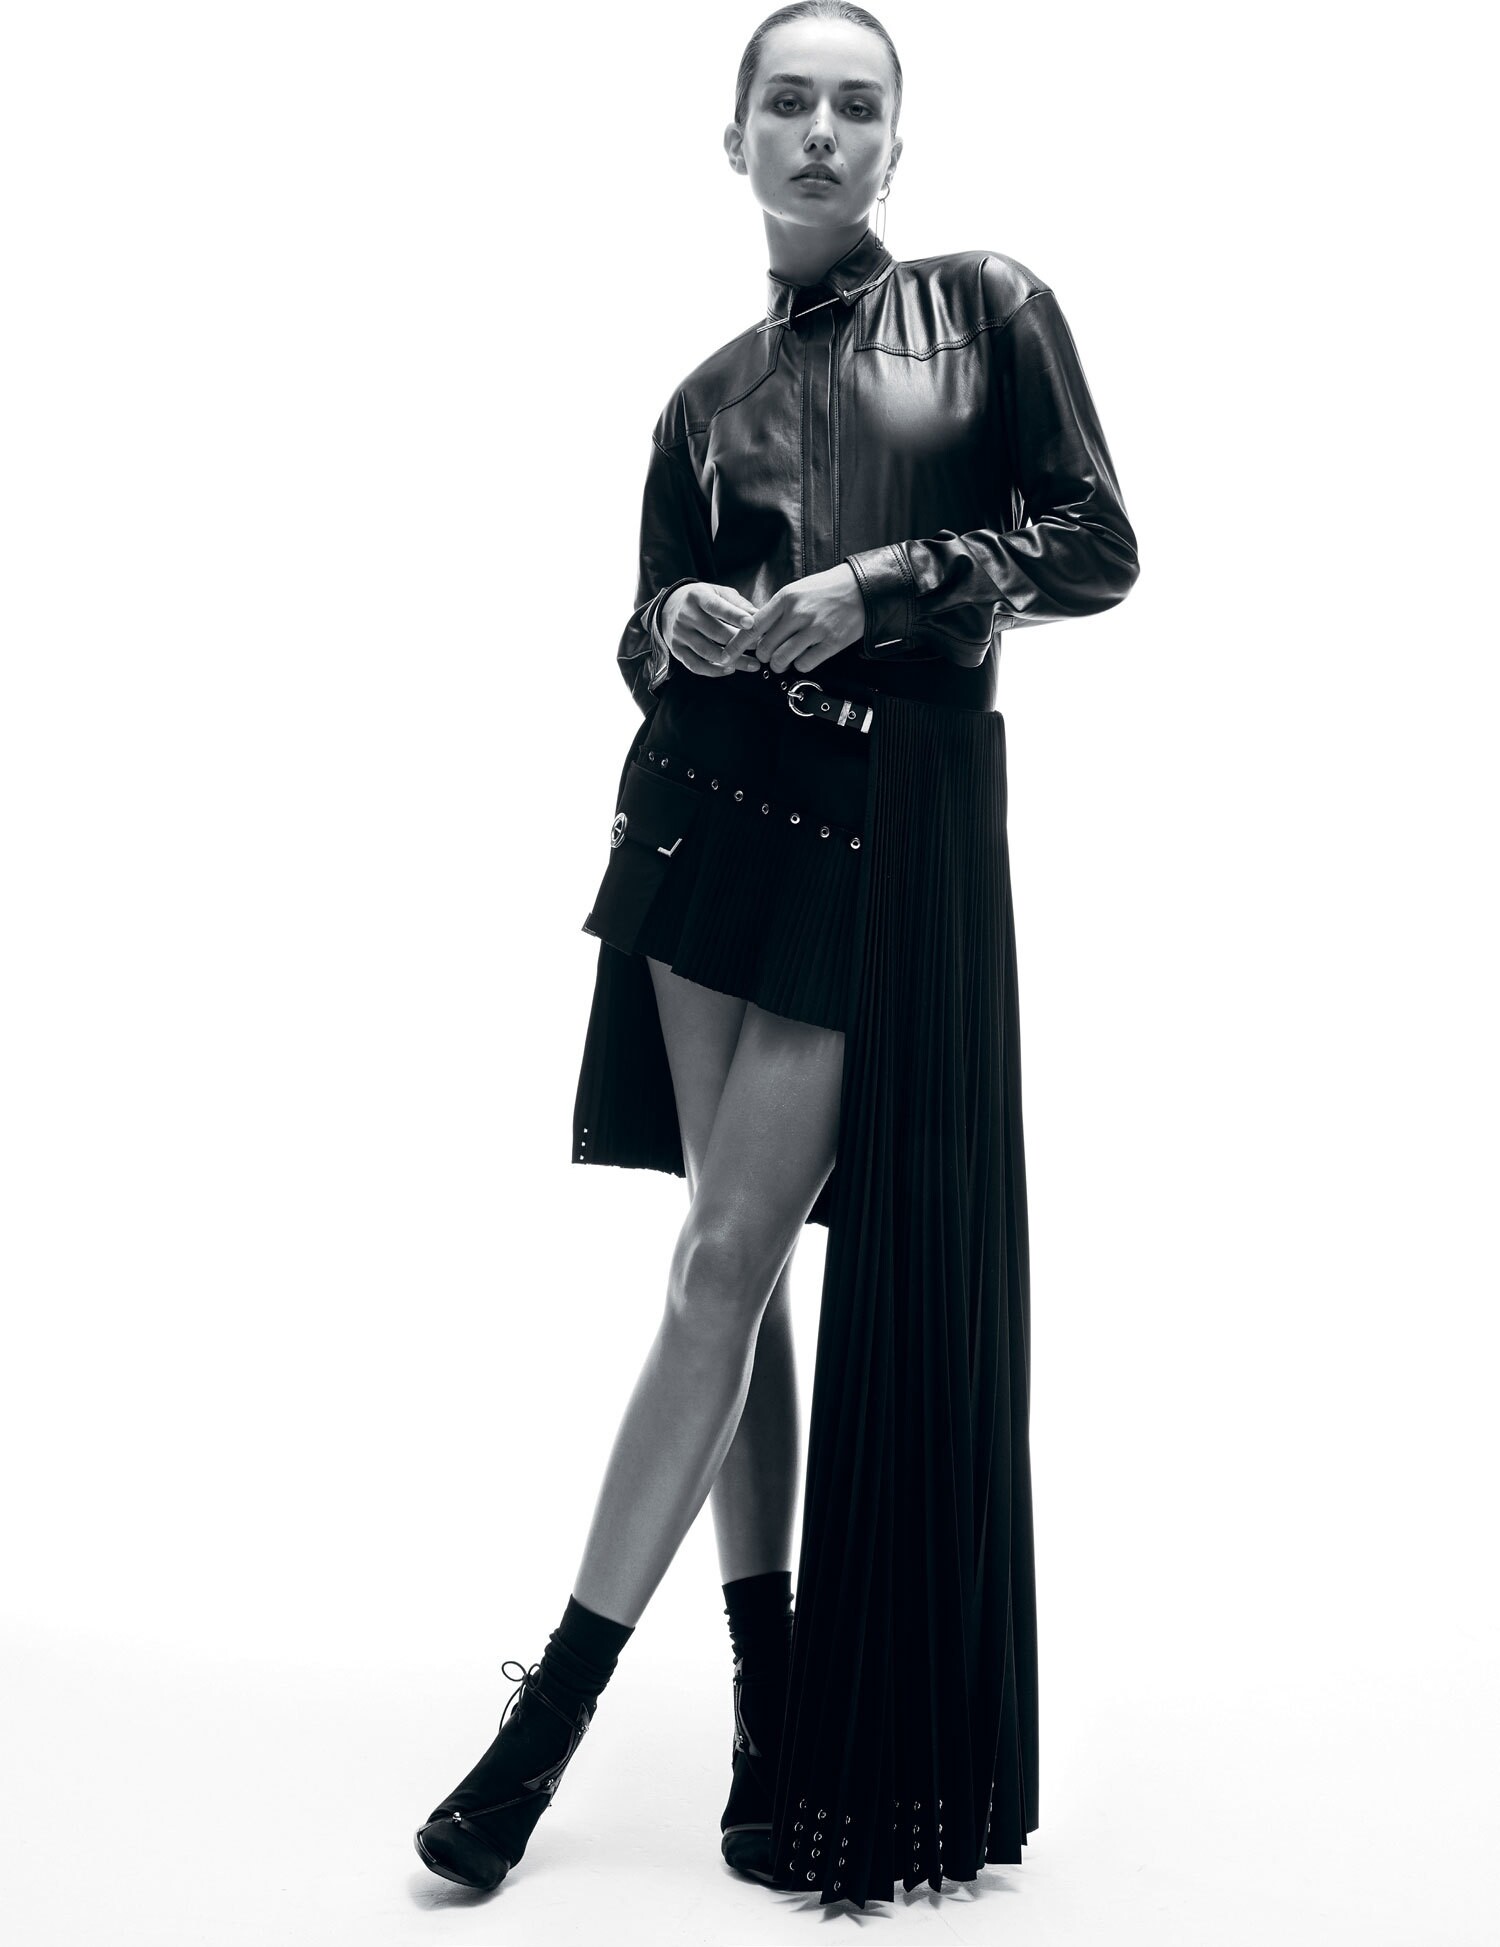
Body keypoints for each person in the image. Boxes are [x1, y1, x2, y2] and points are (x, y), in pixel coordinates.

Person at [416, 0, 1139, 1909]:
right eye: (789, 103)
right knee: (725, 1276)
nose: (822, 132)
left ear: (898, 144)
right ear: (731, 138)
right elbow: (638, 628)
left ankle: (543, 1726)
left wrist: (879, 585)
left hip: (872, 837)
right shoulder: (700, 399)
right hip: (701, 821)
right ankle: (768, 1697)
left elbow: (1095, 542)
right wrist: (681, 625)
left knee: (724, 1258)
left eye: (857, 107)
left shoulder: (987, 310)